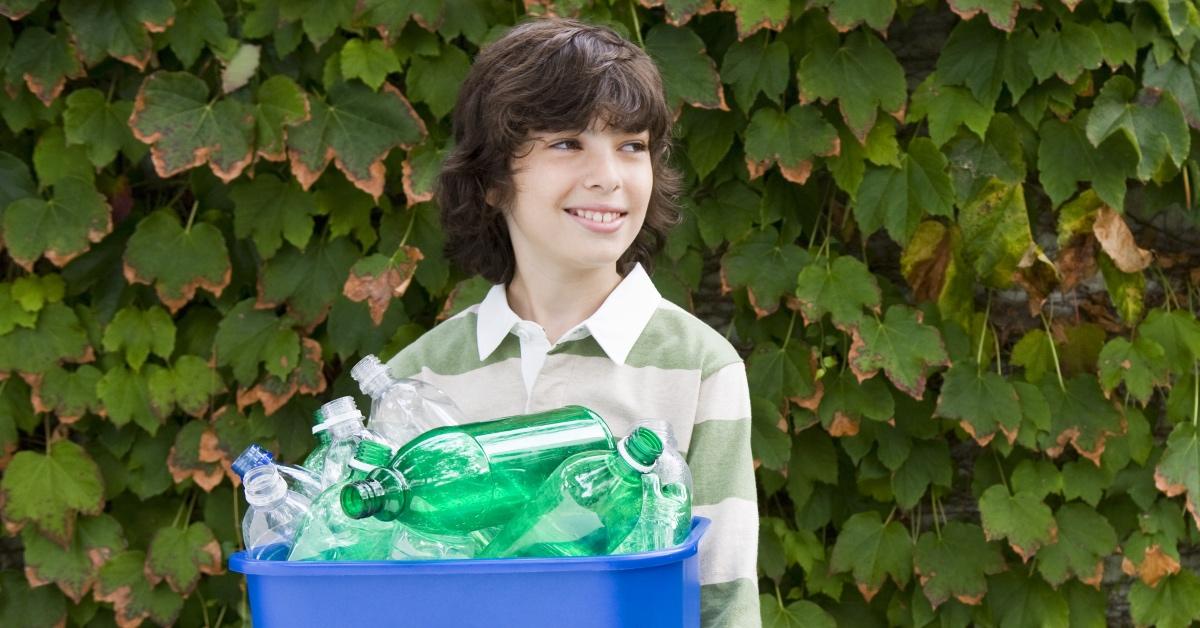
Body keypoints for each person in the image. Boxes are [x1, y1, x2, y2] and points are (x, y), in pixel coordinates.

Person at [385, 17, 760, 628]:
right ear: (491, 181)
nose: (608, 176)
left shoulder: (700, 368)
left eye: (631, 145)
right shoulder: (414, 382)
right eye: (567, 143)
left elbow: (723, 603)